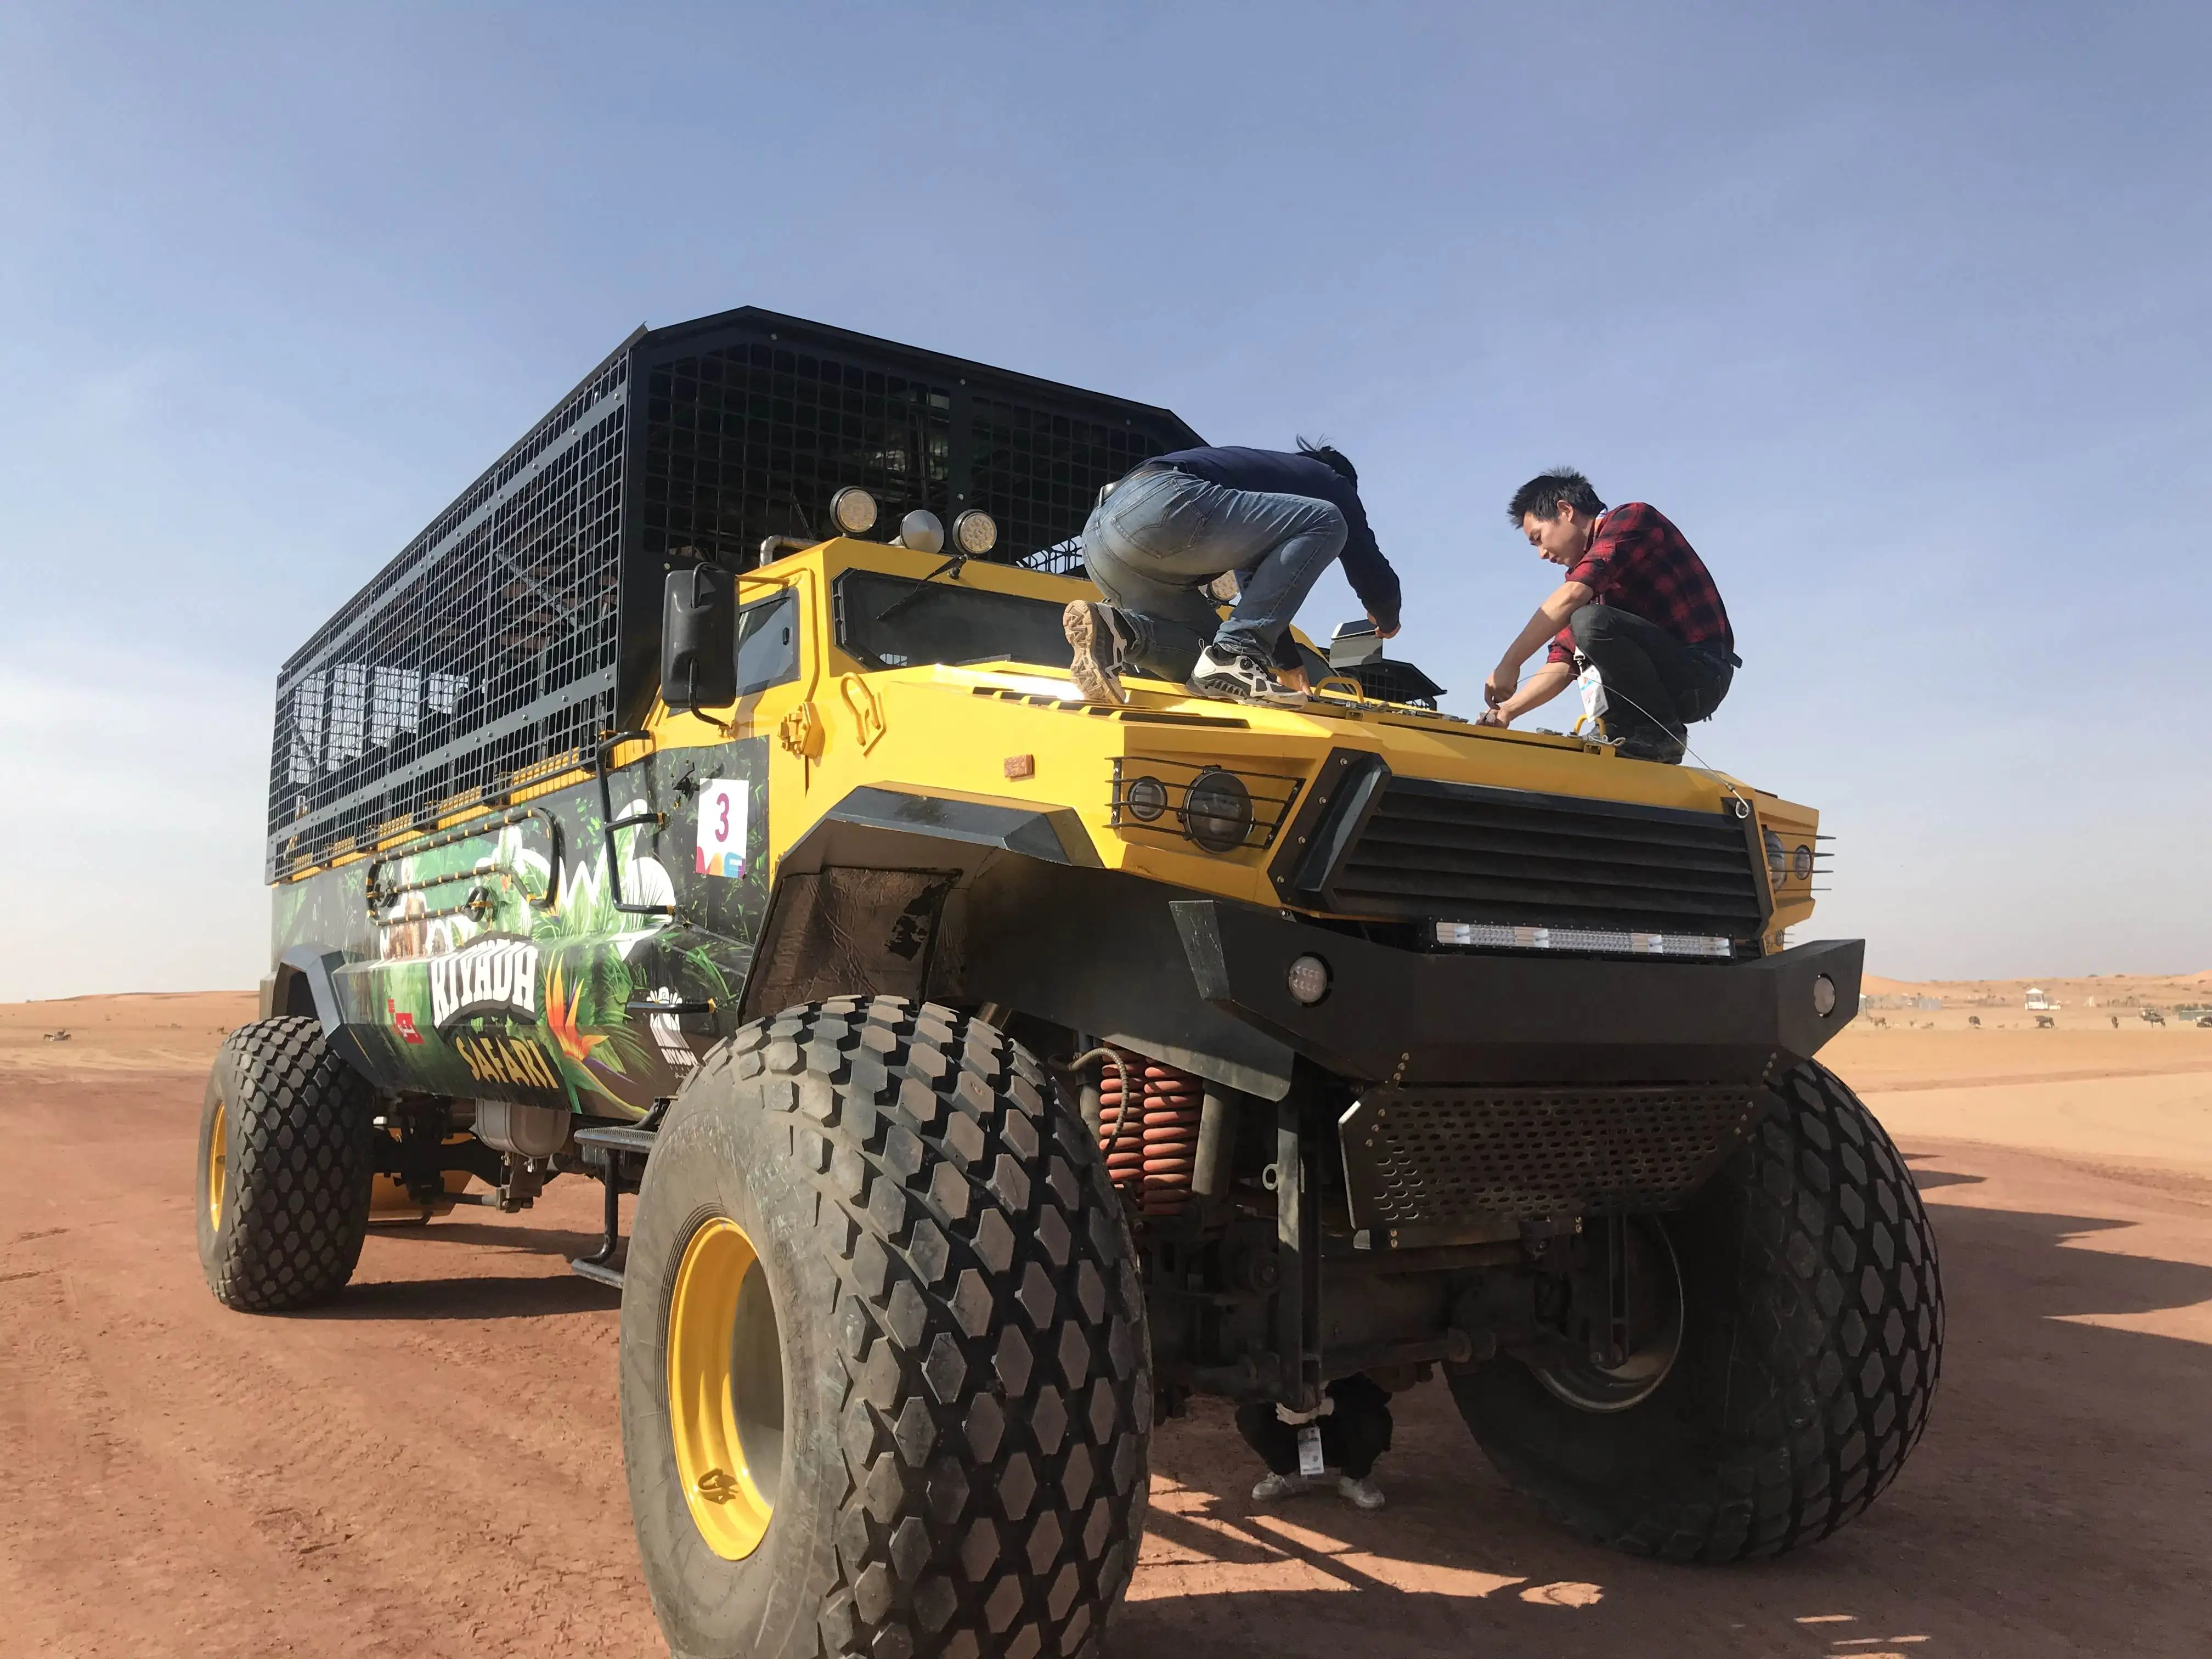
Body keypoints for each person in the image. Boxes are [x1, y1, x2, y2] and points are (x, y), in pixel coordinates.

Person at [1062, 442, 1402, 706]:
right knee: (1328, 520)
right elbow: (1366, 561)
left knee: (1206, 663)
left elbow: (1258, 580)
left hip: (1097, 544)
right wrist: (1386, 614)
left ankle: (1119, 631)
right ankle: (1234, 654)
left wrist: (1286, 664)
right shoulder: (1331, 481)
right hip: (1156, 503)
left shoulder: (1255, 477)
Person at [1479, 469, 1737, 763]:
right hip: (1663, 680)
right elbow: (1563, 661)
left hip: (1701, 673)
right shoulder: (1588, 586)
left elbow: (1574, 598)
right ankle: (1634, 736)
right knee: (1585, 624)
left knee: (1588, 622)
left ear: (1565, 510)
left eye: (1538, 538)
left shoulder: (1633, 520)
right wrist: (1508, 711)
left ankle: (1662, 734)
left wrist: (1510, 664)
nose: (1541, 553)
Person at [1234, 1374, 1394, 1510]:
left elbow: (1381, 1392)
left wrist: (1325, 1407)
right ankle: (1287, 1474)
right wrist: (1284, 1403)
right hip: (1290, 1425)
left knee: (1375, 1421)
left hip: (1342, 1426)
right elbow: (1245, 1391)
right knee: (1251, 1416)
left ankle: (1355, 1477)